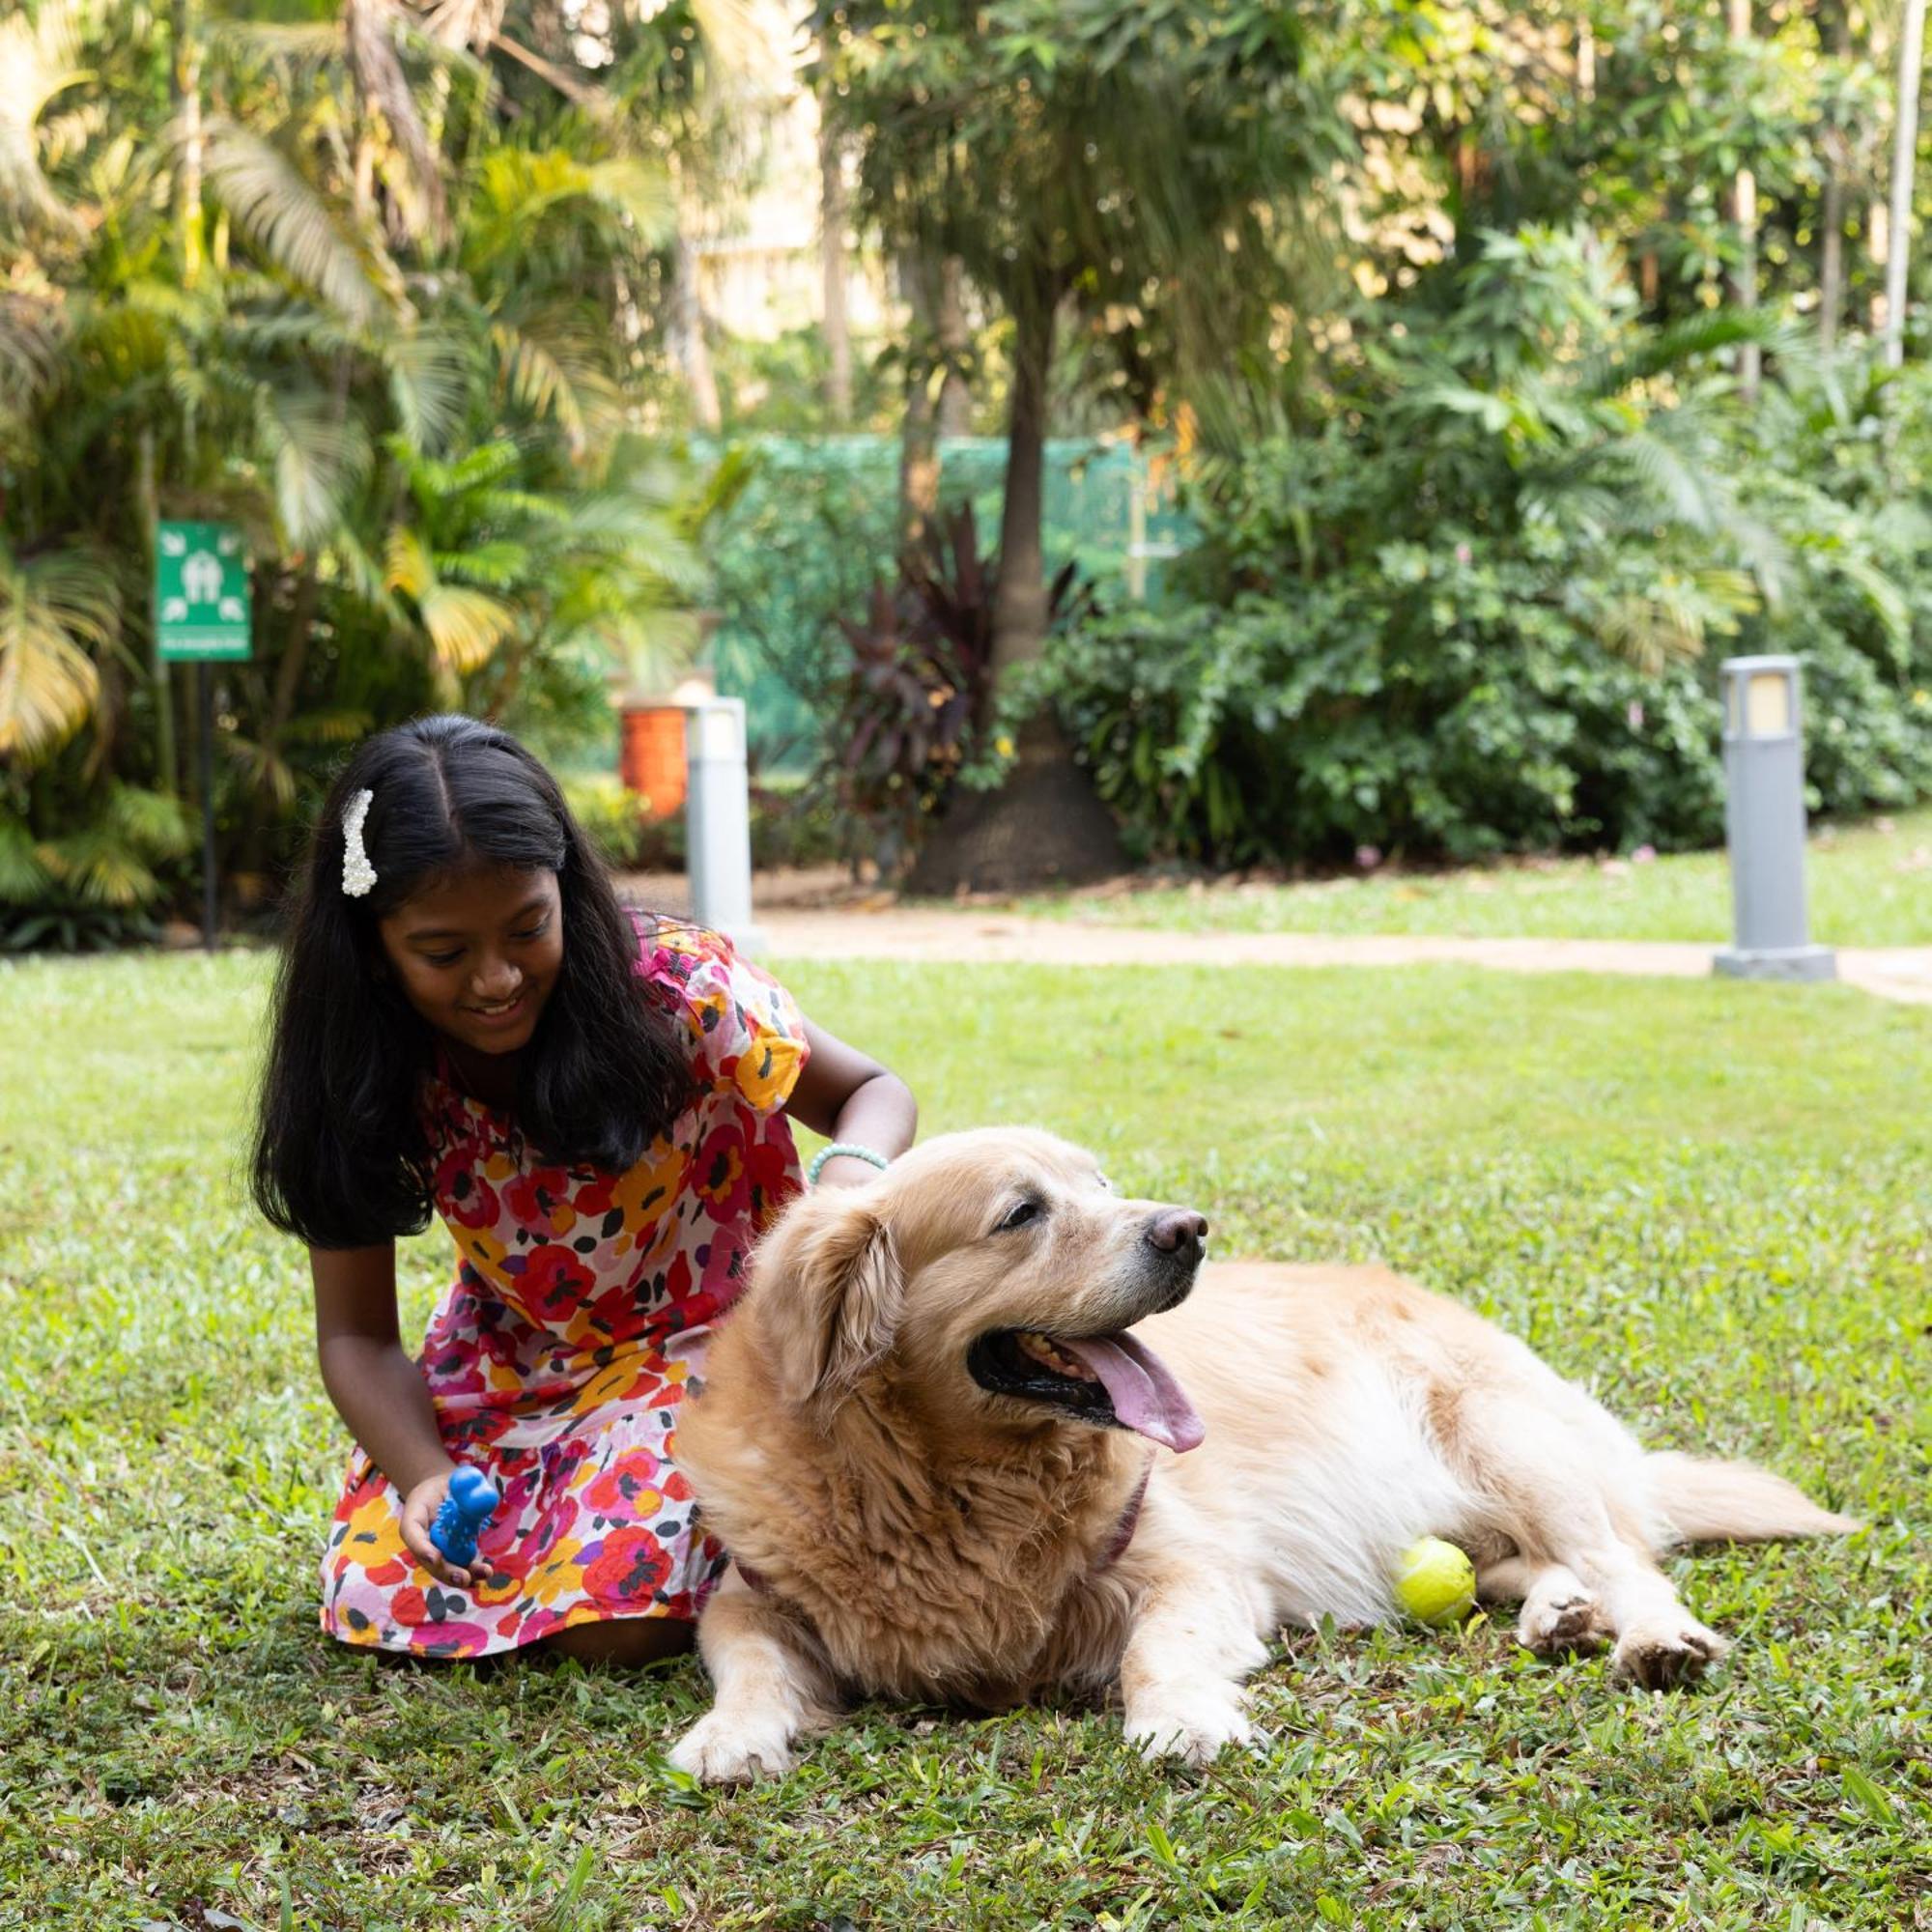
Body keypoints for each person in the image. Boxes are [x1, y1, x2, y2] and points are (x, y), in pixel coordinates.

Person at [250, 714, 916, 1663]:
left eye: (528, 927)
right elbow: (356, 1334)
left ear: (564, 887)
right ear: (371, 944)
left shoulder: (680, 992)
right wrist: (426, 1477)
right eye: (442, 952)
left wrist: (849, 1180)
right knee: (378, 1583)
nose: (495, 978)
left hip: (717, 1343)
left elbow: (872, 1092)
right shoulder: (362, 1064)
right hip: (520, 1367)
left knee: (623, 1614)